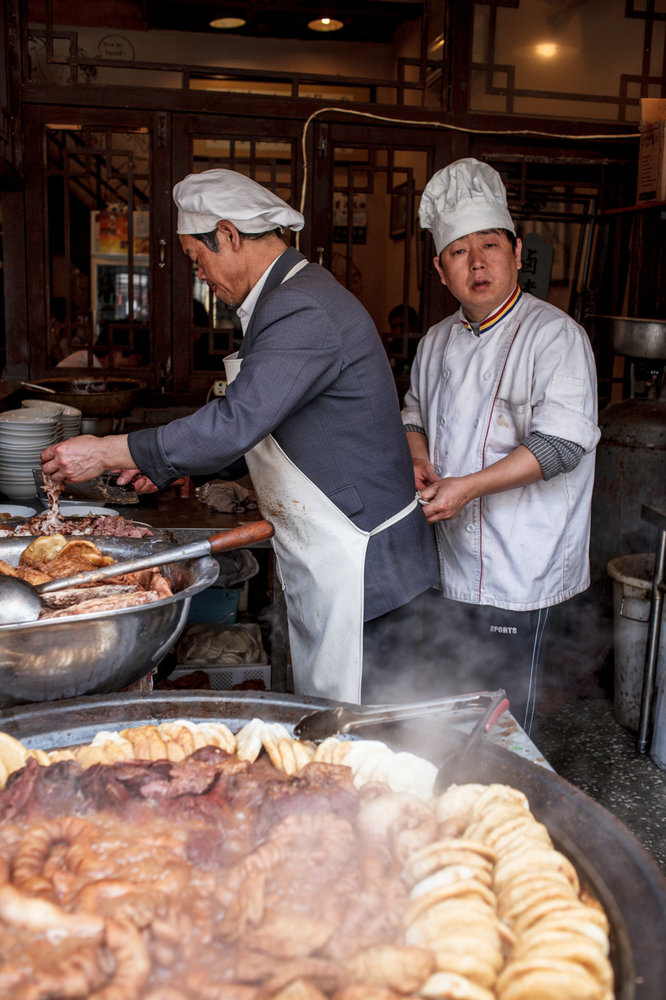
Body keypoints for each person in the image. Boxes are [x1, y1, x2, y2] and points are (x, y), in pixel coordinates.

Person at [41, 168, 438, 705]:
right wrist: (172, 462)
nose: (199, 273)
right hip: (336, 554)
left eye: (195, 257)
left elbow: (239, 421)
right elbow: (273, 420)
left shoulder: (302, 305)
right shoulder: (285, 299)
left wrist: (107, 451)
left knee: (368, 733)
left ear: (227, 236)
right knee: (336, 716)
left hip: (365, 560)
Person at [402, 158, 601, 735]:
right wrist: (418, 457)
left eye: (490, 245)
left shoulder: (555, 336)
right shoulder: (436, 342)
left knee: (507, 722)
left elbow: (563, 444)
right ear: (442, 272)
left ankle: (514, 808)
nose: (478, 262)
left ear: (517, 254)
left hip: (525, 567)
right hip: (452, 559)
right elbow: (412, 413)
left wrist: (469, 486)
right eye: (460, 252)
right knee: (455, 707)